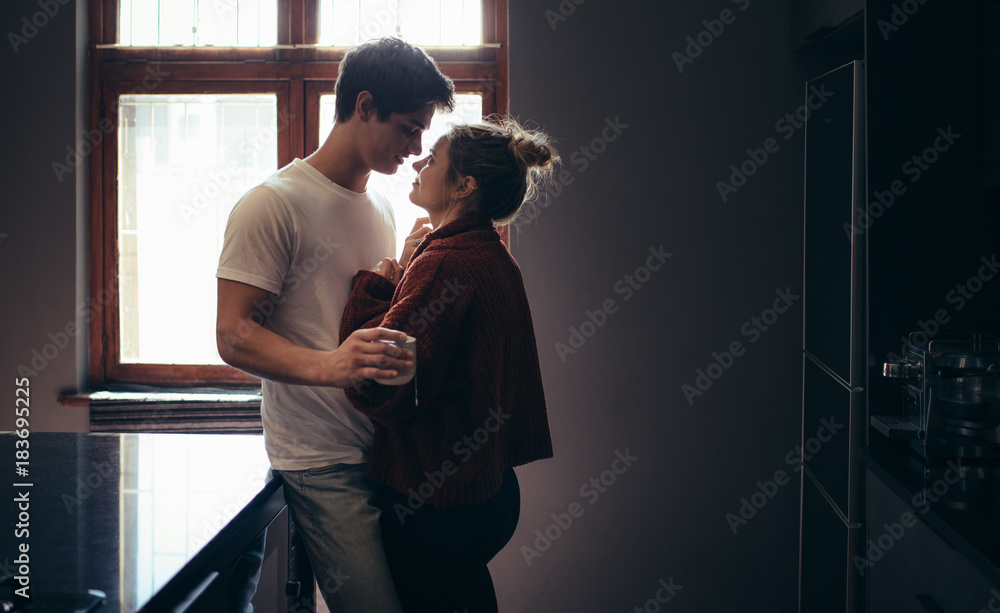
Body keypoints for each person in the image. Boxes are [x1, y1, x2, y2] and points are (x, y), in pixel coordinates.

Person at [215, 37, 455, 612]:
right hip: (320, 460)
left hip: (389, 453)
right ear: (364, 105)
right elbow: (232, 334)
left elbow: (363, 315)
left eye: (424, 132)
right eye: (408, 127)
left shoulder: (384, 208)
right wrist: (332, 363)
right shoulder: (271, 204)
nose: (417, 147)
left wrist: (409, 269)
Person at [339, 119, 558, 612]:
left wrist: (375, 285)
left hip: (436, 504)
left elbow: (381, 381)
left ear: (464, 186)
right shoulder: (489, 254)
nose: (417, 162)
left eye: (432, 158)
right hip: (488, 493)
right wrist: (410, 266)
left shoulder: (447, 262)